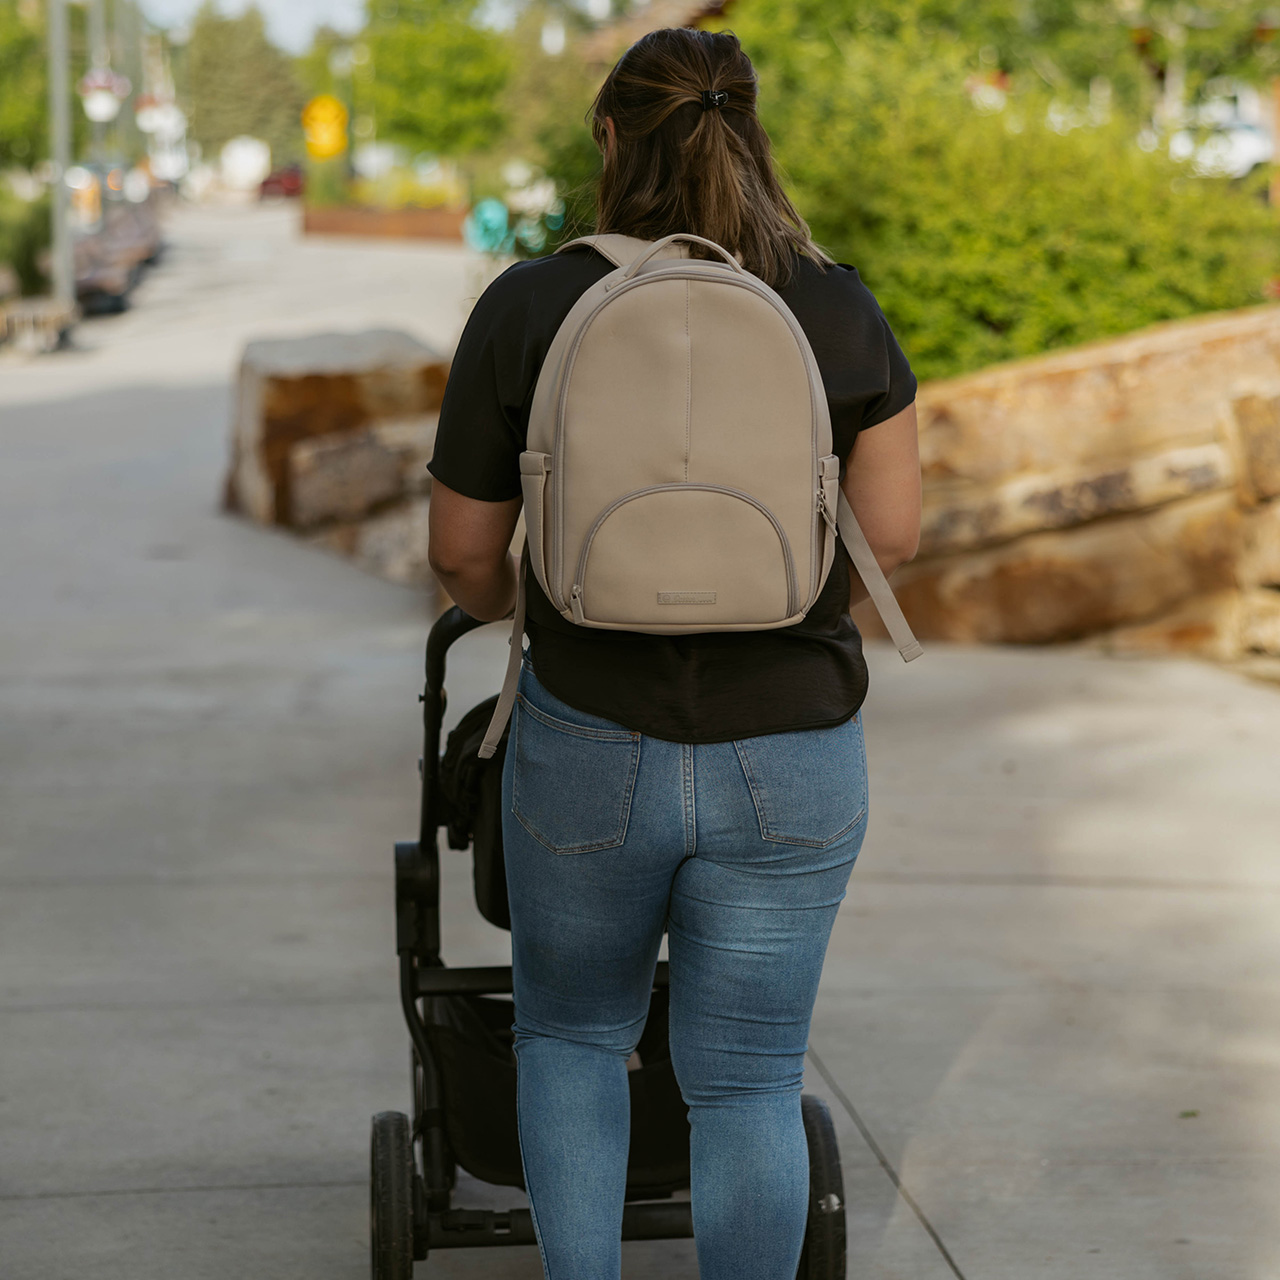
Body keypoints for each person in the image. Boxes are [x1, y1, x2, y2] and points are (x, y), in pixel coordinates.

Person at [426, 26, 921, 1280]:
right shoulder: (836, 306)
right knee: (748, 1077)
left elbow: (460, 550)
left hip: (589, 735)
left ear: (609, 138)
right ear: (750, 133)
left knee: (570, 1038)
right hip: (791, 745)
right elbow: (893, 536)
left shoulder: (529, 304)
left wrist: (529, 602)